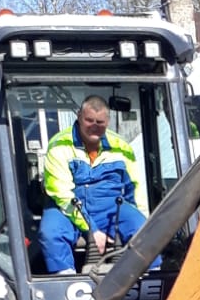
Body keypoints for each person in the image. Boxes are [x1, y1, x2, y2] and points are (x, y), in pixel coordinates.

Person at [36, 95, 145, 273]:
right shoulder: (58, 145)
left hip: (110, 205)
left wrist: (143, 219)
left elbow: (135, 188)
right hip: (68, 208)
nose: (94, 126)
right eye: (89, 120)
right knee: (50, 233)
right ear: (79, 117)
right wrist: (91, 229)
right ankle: (65, 282)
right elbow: (62, 194)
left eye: (100, 122)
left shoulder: (121, 147)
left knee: (143, 231)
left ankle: (149, 277)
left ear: (108, 121)